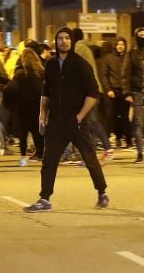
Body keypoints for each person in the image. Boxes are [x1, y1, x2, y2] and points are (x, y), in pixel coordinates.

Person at [24, 27, 108, 212]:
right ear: (56, 41)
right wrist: (42, 115)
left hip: (76, 121)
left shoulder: (80, 64)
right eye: (60, 38)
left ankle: (101, 192)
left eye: (67, 38)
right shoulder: (51, 65)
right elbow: (46, 93)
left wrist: (79, 116)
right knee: (49, 161)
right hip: (56, 122)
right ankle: (44, 199)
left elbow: (93, 93)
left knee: (89, 158)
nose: (64, 41)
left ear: (72, 41)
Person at [4, 48, 44, 166]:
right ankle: (41, 154)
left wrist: (11, 104)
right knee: (37, 132)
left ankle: (23, 159)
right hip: (38, 107)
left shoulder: (20, 74)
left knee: (23, 135)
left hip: (23, 108)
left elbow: (9, 89)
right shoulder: (41, 73)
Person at [121, 29, 144, 164]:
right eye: (140, 35)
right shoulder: (132, 53)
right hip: (137, 92)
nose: (143, 37)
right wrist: (127, 93)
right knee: (138, 124)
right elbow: (125, 74)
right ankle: (140, 153)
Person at [100, 38, 130, 149]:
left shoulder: (128, 57)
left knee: (124, 117)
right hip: (113, 91)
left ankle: (126, 139)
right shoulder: (109, 58)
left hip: (125, 91)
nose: (120, 46)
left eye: (122, 44)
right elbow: (104, 75)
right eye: (118, 44)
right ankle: (110, 139)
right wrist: (108, 89)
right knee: (111, 116)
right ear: (115, 46)